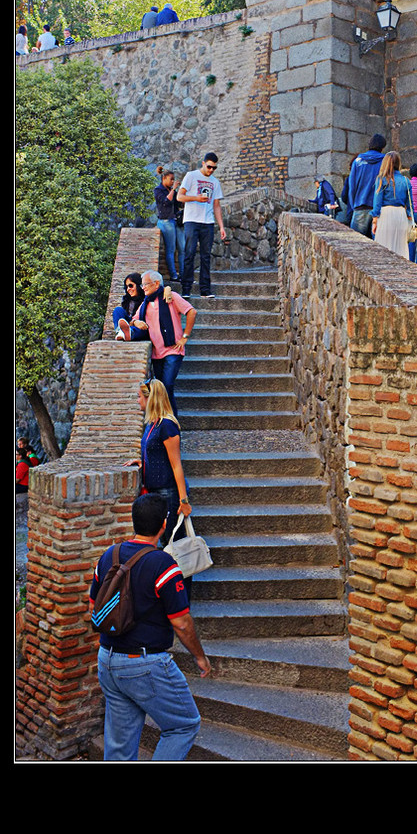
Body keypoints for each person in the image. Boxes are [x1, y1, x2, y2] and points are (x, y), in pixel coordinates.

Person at [89, 492, 210, 762]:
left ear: (134, 521)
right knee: (184, 725)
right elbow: (181, 622)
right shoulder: (163, 564)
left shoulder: (109, 555)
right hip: (143, 663)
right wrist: (200, 657)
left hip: (107, 659)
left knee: (119, 747)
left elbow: (92, 606)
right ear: (164, 524)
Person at [124, 377, 192, 554]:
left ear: (150, 398)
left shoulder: (167, 426)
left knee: (174, 542)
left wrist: (183, 501)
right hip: (156, 492)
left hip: (168, 492)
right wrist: (144, 462)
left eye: (139, 396)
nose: (137, 400)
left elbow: (176, 464)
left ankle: (183, 580)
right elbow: (156, 451)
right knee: (165, 541)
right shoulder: (152, 424)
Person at [120, 270, 196, 419]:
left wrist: (185, 336)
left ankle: (171, 423)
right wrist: (136, 321)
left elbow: (192, 312)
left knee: (167, 386)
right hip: (157, 353)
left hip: (173, 350)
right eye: (142, 285)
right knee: (160, 390)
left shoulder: (171, 297)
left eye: (145, 284)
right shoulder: (146, 303)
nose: (143, 288)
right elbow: (132, 320)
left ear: (156, 284)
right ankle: (164, 421)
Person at [178, 153, 227, 299]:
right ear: (203, 163)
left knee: (206, 257)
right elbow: (179, 197)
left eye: (214, 168)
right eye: (209, 166)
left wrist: (222, 227)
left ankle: (205, 290)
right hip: (192, 221)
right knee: (189, 254)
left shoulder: (215, 182)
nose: (211, 170)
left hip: (208, 222)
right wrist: (196, 198)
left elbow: (217, 205)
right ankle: (186, 289)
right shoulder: (191, 176)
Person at [371, 151, 415, 260]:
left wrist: (375, 220)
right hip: (401, 215)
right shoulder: (406, 180)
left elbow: (377, 202)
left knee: (383, 249)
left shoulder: (381, 179)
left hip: (385, 214)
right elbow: (410, 204)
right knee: (400, 250)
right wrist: (409, 216)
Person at [347, 134, 386, 237]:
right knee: (378, 245)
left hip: (360, 206)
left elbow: (352, 187)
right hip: (379, 209)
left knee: (356, 245)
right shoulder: (385, 162)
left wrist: (353, 205)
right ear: (382, 147)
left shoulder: (358, 161)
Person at [155, 170, 185, 281]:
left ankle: (183, 274)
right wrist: (173, 189)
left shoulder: (172, 191)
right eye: (171, 179)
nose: (173, 181)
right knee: (171, 249)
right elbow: (165, 202)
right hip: (166, 221)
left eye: (173, 179)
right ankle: (173, 275)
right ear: (164, 178)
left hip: (176, 221)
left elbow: (178, 204)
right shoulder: (158, 190)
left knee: (182, 248)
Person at [113, 272, 145, 340]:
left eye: (130, 286)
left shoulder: (146, 299)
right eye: (126, 287)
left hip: (139, 326)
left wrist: (167, 289)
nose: (128, 289)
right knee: (118, 310)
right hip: (129, 324)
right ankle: (120, 331)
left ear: (139, 285)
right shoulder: (127, 300)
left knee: (141, 329)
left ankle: (128, 333)